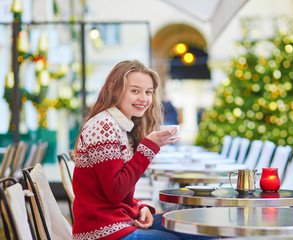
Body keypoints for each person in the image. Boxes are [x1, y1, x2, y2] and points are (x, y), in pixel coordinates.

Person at [72, 60, 213, 240]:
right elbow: (115, 192)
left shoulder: (120, 126)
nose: (144, 99)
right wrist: (148, 147)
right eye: (135, 91)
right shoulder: (102, 126)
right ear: (112, 88)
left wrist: (140, 207)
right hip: (103, 231)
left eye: (148, 92)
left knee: (200, 228)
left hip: (121, 222)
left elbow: (113, 192)